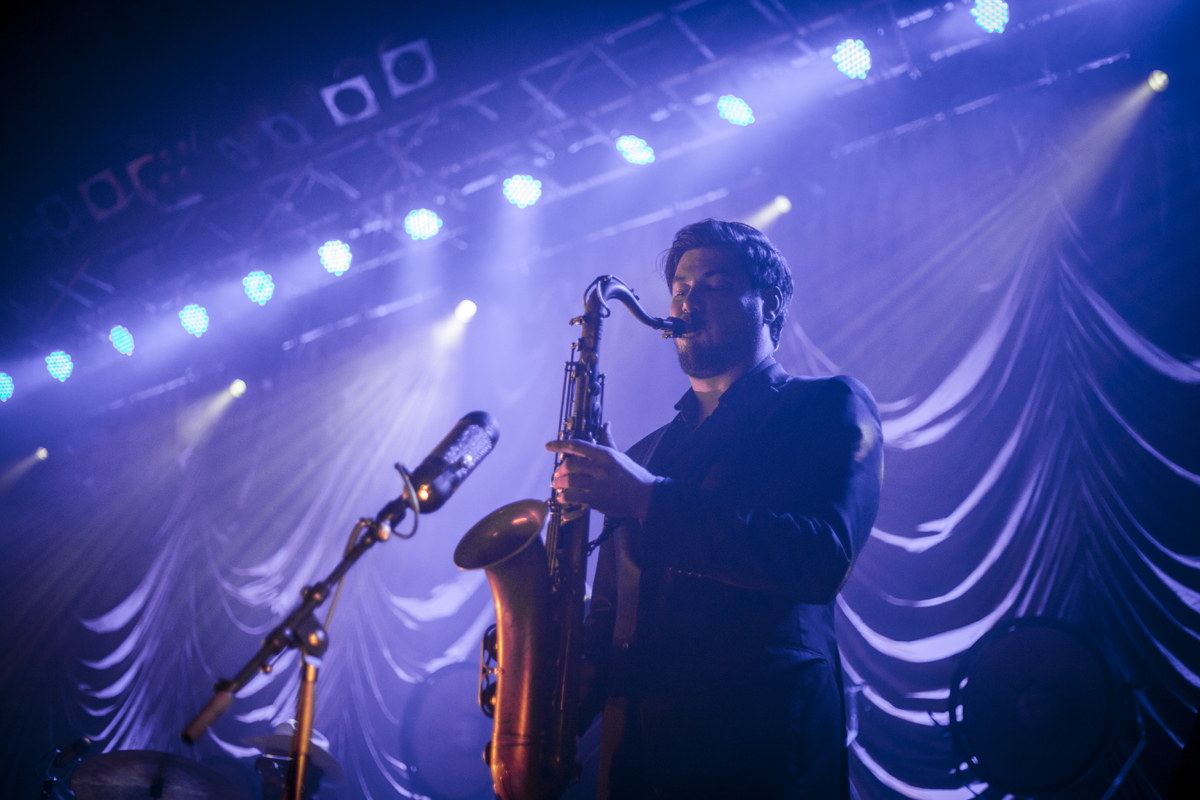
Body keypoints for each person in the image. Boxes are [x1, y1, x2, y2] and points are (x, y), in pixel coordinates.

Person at [546, 219, 883, 799]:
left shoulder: (826, 405)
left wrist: (648, 499)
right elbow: (610, 611)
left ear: (770, 303)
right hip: (636, 761)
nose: (687, 301)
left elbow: (819, 557)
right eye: (680, 288)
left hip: (764, 750)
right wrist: (556, 701)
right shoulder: (645, 454)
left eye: (714, 285)